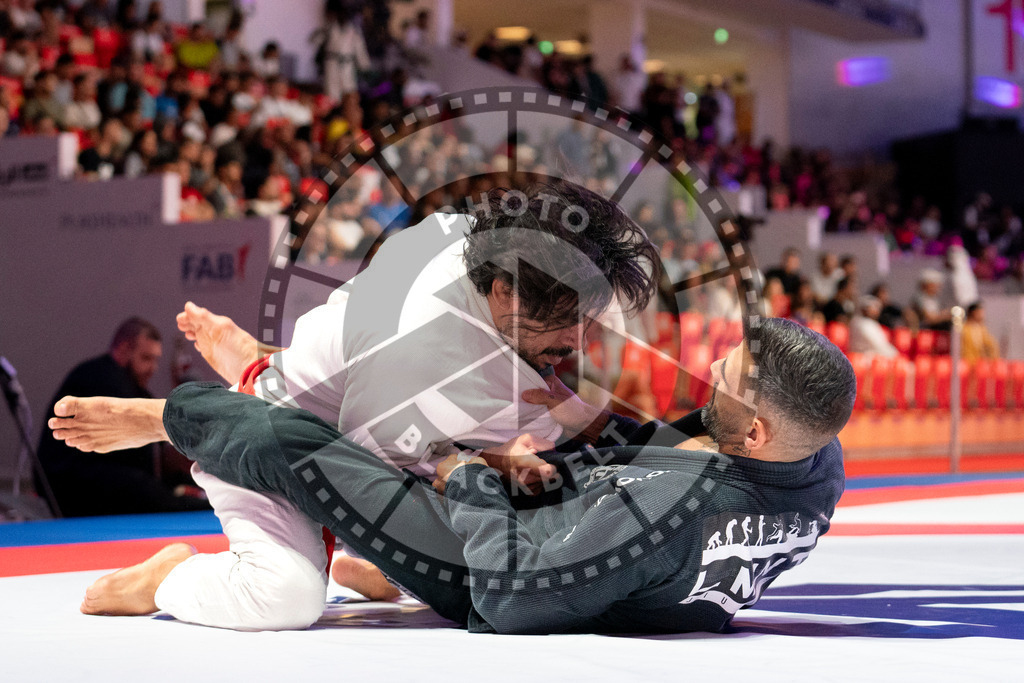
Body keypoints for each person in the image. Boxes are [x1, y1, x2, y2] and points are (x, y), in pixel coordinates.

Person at [56, 183, 661, 631]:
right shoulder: (426, 355)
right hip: (278, 452)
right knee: (287, 599)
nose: (579, 342)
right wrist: (495, 464)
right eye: (565, 321)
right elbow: (350, 485)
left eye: (587, 319)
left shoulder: (463, 234)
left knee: (546, 491)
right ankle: (169, 577)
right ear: (505, 291)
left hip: (353, 397)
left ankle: (263, 365)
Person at [51, 317, 855, 634]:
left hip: (481, 565)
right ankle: (274, 379)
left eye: (729, 378)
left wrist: (467, 474)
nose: (709, 367)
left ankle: (166, 416)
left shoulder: (668, 507)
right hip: (565, 518)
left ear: (753, 429)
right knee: (456, 410)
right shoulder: (815, 463)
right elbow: (672, 470)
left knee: (301, 447)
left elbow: (510, 598)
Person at [37, 318, 208, 517]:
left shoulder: (126, 383)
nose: (153, 368)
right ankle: (207, 508)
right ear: (125, 349)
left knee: (154, 483)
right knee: (144, 488)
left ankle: (208, 501)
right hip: (67, 483)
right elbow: (141, 453)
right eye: (146, 358)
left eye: (155, 360)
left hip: (89, 476)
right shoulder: (101, 379)